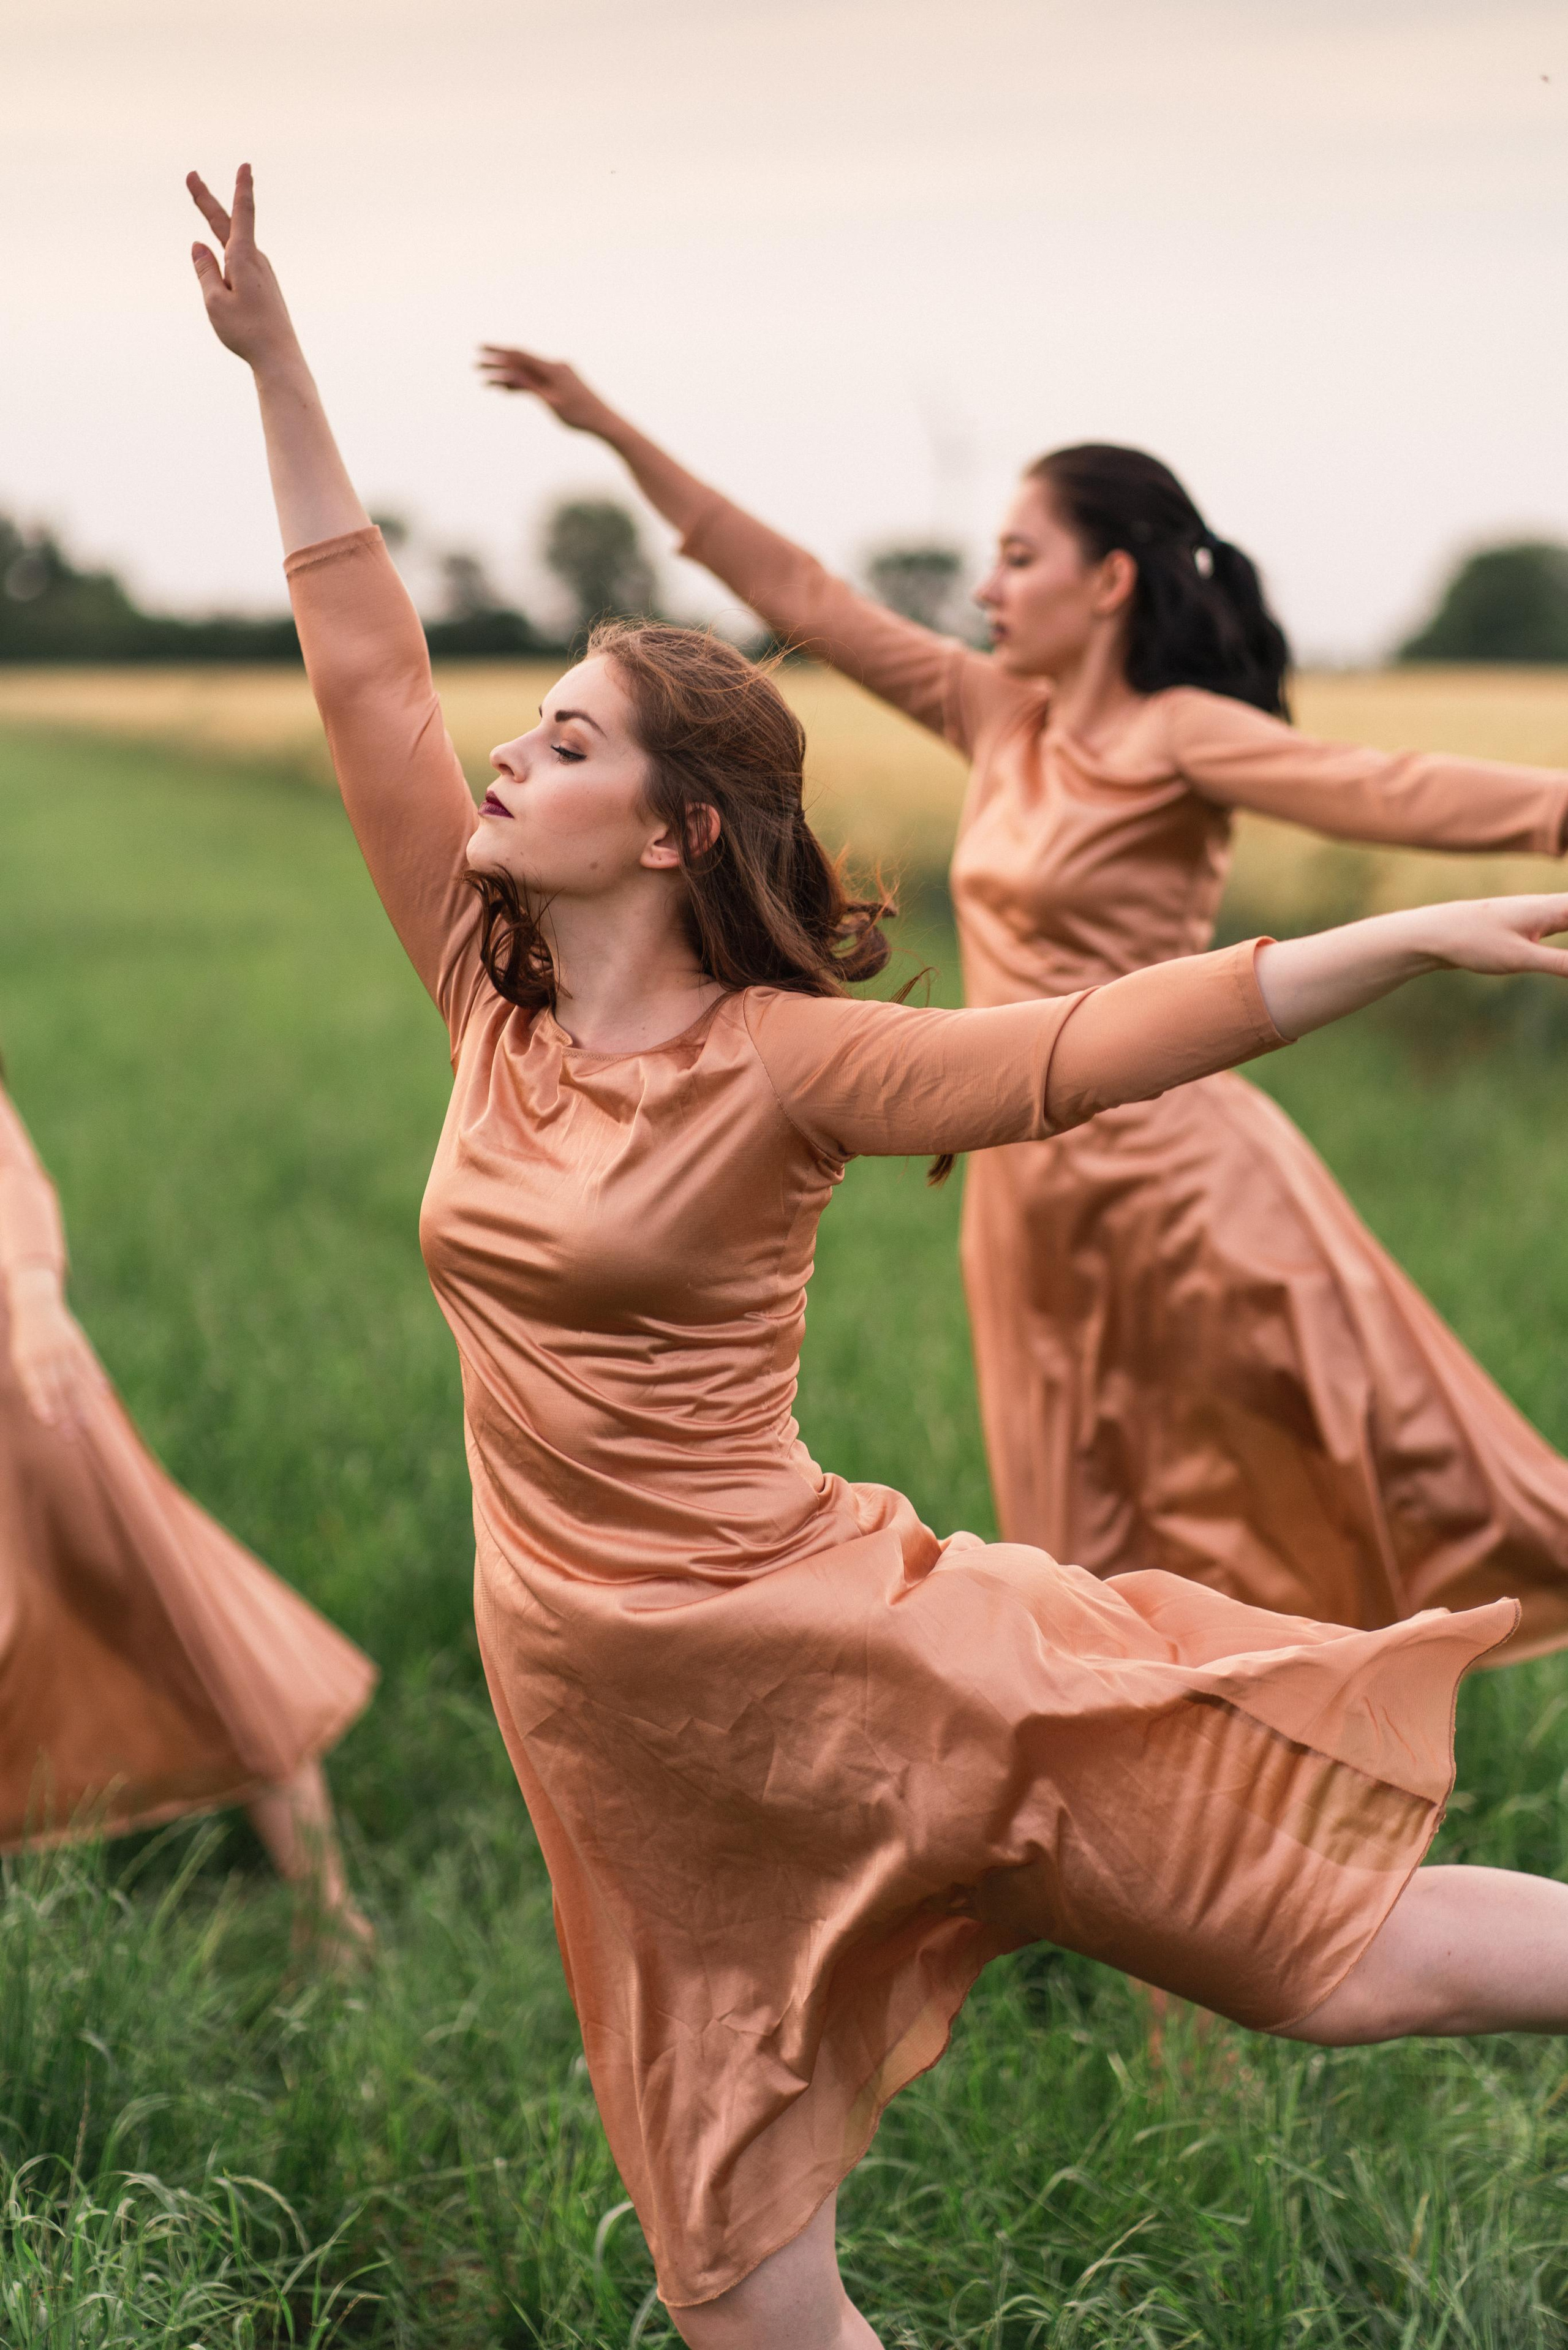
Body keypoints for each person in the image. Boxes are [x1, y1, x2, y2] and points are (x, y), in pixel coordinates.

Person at [190, 165, 1568, 2348]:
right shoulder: (486, 994)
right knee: (744, 2307)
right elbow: (364, 660)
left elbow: (1086, 1042)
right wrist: (282, 368)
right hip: (619, 1732)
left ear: (668, 832)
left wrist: (1383, 934)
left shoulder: (791, 1061)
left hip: (849, 1655)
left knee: (1322, 1950)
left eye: (560, 734)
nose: (501, 750)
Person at [478, 344, 1568, 1654]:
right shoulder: (995, 718)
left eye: (1018, 557)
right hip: (1027, 1187)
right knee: (1080, 1548)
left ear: (1108, 580)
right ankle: (1157, 1800)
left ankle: (1316, 1764)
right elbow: (800, 594)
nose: (985, 588)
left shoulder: (1180, 736)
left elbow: (1385, 788)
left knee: (1300, 1495)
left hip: (1178, 1180)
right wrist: (607, 425)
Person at [0, 1064, 375, 1959]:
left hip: (26, 1392)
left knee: (183, 1615)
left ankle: (328, 1914)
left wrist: (34, 1297)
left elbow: (8, 1171)